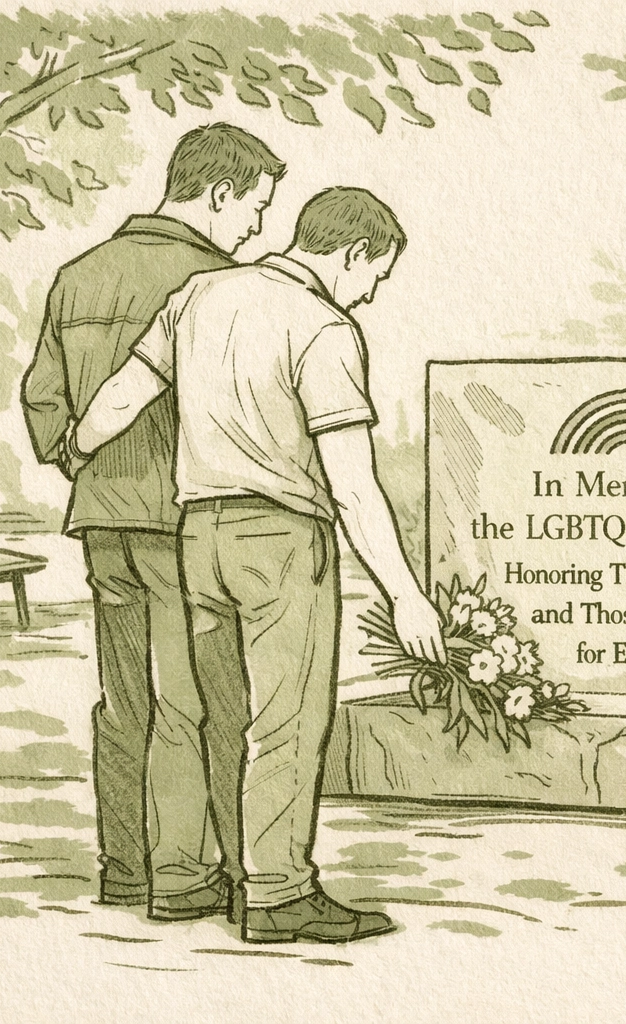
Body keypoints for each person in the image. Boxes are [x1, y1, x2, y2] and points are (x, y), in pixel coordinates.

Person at [67, 187, 445, 944]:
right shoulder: (324, 327)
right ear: (348, 255)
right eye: (374, 274)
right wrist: (406, 595)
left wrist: (79, 447)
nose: (371, 292)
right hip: (279, 540)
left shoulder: (201, 294)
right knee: (288, 722)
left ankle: (200, 877)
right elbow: (353, 484)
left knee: (207, 712)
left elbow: (123, 395)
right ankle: (275, 893)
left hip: (197, 537)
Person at [20, 124, 285, 920]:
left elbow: (43, 397)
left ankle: (125, 869)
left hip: (103, 520)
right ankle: (182, 875)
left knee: (123, 698)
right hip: (186, 519)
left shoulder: (77, 277)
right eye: (254, 210)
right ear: (217, 194)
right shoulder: (219, 284)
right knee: (195, 699)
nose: (255, 230)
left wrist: (78, 461)